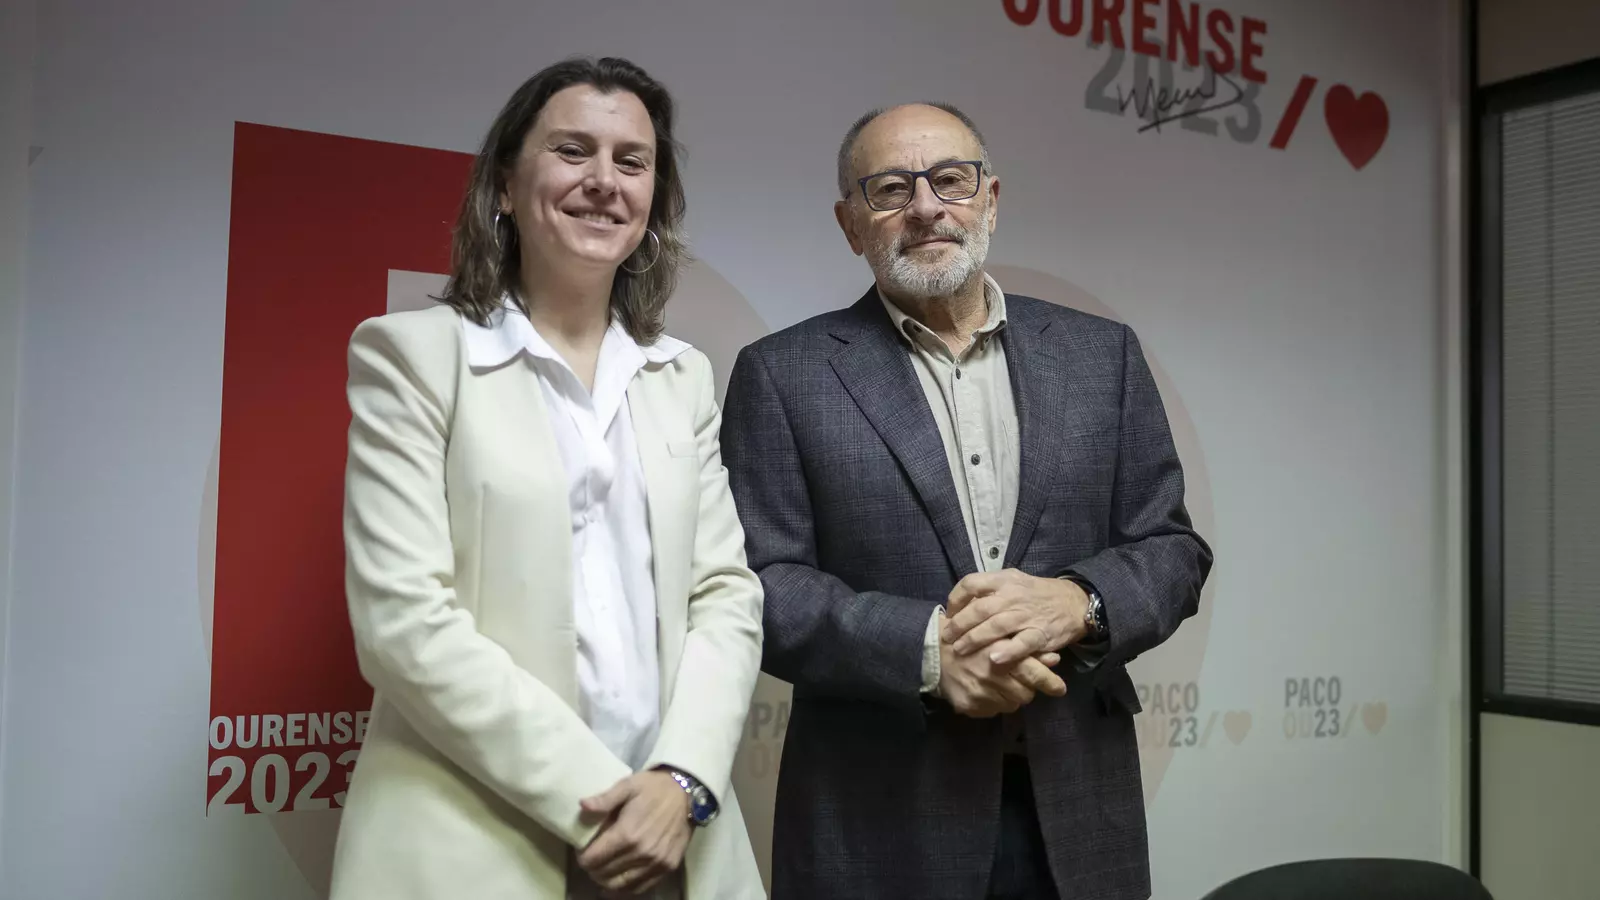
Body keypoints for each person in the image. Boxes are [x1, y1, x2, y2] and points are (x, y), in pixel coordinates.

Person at [720, 102, 1213, 900]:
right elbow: (760, 582)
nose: (926, 206)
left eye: (950, 179)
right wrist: (929, 651)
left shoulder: (1102, 355)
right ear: (850, 224)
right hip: (879, 818)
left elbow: (1171, 549)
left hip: (1078, 815)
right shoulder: (783, 374)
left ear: (991, 199)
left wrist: (1080, 603)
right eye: (890, 189)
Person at [330, 57, 765, 900]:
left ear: (653, 202)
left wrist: (680, 782)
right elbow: (403, 625)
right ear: (503, 185)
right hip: (470, 837)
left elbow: (725, 594)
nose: (604, 181)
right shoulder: (413, 358)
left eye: (632, 161)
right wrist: (611, 803)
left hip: (680, 838)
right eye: (572, 151)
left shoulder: (682, 377)